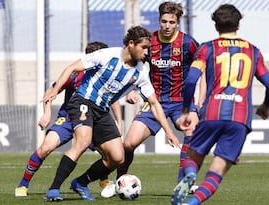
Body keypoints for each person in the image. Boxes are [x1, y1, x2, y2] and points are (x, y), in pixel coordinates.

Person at [42, 26, 182, 201]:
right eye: (143, 47)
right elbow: (71, 68)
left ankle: (80, 183)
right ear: (131, 44)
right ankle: (53, 190)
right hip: (83, 101)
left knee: (117, 158)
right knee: (83, 141)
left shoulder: (141, 73)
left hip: (102, 109)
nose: (147, 52)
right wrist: (54, 91)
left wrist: (169, 132)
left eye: (148, 48)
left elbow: (154, 103)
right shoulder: (107, 55)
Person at [171, 4, 269, 205]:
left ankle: (191, 174)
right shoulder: (253, 51)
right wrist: (265, 106)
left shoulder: (207, 48)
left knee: (192, 156)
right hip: (240, 117)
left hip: (211, 113)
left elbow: (191, 80)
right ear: (238, 24)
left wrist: (186, 109)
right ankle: (191, 203)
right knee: (217, 171)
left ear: (215, 26)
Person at [111, 1, 199, 192]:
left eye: (172, 22)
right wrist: (132, 90)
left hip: (180, 102)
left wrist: (201, 99)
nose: (167, 26)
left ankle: (182, 184)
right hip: (154, 101)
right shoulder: (149, 41)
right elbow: (135, 66)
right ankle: (120, 182)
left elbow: (202, 67)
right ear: (159, 20)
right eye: (164, 21)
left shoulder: (188, 43)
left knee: (191, 131)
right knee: (129, 143)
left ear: (178, 22)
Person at [14, 41, 121, 197]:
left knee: (112, 154)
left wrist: (118, 121)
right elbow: (51, 91)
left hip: (91, 120)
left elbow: (114, 100)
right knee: (46, 147)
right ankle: (23, 184)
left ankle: (102, 179)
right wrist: (47, 113)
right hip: (68, 119)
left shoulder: (106, 77)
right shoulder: (74, 75)